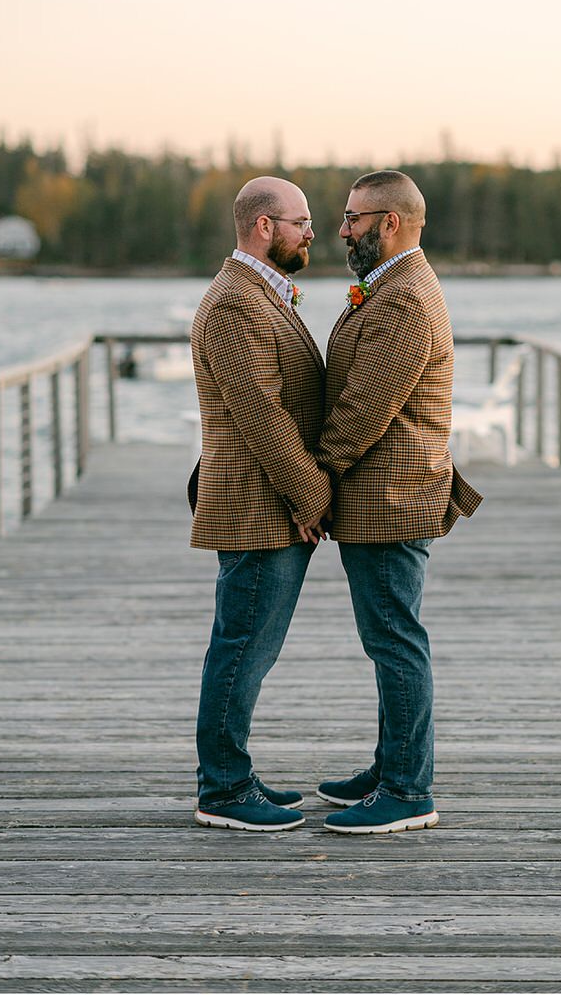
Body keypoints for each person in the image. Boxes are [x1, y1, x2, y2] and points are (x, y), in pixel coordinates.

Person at [311, 170, 483, 834]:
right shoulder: (387, 286)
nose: (342, 228)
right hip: (380, 495)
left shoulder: (405, 297)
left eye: (353, 217)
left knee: (395, 640)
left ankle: (408, 790)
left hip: (390, 497)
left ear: (389, 222)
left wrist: (312, 483)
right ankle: (390, 765)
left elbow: (362, 410)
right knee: (389, 637)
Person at [189, 176, 331, 832]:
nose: (312, 231)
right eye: (300, 221)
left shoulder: (261, 294)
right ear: (263, 227)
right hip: (257, 503)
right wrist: (312, 497)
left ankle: (233, 773)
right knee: (242, 646)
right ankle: (221, 789)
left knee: (253, 645)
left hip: (268, 502)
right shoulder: (233, 305)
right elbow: (260, 417)